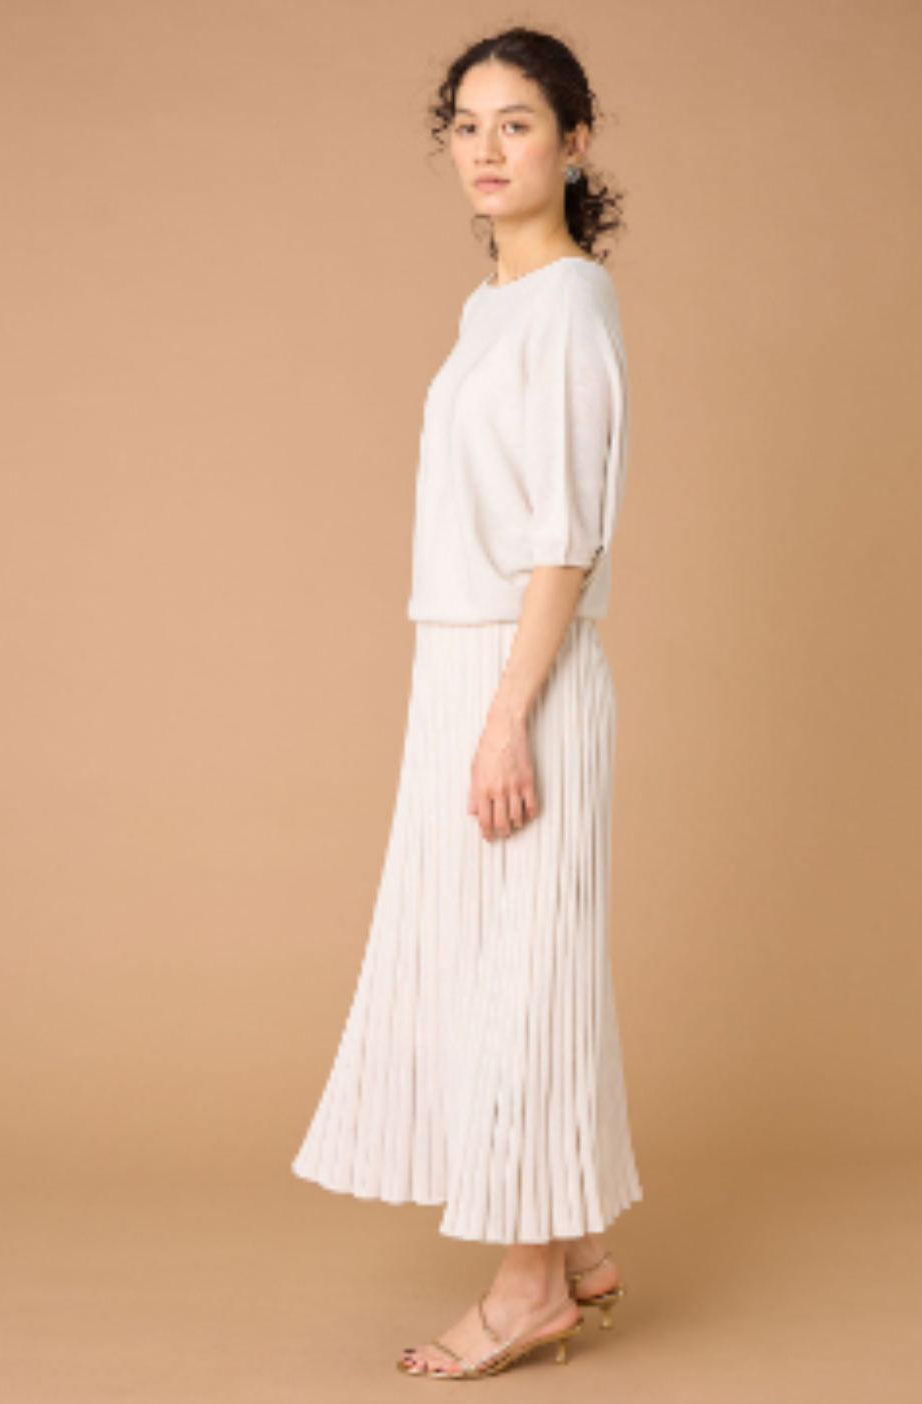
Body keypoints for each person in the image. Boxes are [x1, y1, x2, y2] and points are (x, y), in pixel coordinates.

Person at [290, 26, 642, 1380]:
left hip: (519, 671)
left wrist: (506, 715)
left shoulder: (568, 303)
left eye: (517, 123)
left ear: (574, 142)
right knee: (497, 963)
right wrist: (470, 700)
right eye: (466, 126)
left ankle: (527, 1288)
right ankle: (577, 1241)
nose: (487, 150)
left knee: (522, 975)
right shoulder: (490, 306)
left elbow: (566, 537)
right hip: (461, 665)